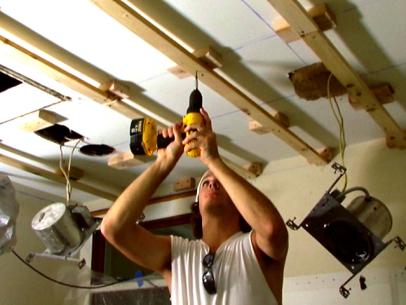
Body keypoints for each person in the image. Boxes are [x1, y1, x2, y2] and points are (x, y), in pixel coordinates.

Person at [101, 108, 289, 305]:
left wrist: (213, 160)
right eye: (206, 182)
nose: (212, 182)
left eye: (221, 183)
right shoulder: (177, 255)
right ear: (197, 204)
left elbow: (271, 228)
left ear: (239, 204)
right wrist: (163, 162)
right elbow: (113, 228)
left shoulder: (256, 249)